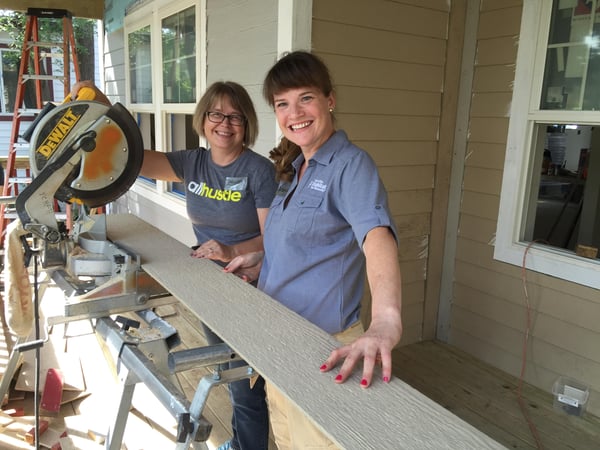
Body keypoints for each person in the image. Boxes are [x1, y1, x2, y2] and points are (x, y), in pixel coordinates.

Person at [71, 80, 276, 450]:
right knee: (228, 371)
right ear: (203, 118)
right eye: (217, 114)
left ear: (246, 124)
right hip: (208, 281)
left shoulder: (258, 170)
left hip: (250, 284)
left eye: (235, 117)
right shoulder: (192, 163)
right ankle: (245, 443)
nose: (225, 124)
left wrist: (230, 249)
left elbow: (273, 239)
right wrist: (101, 105)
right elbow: (132, 154)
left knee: (245, 383)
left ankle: (251, 446)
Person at [224, 51, 403, 449]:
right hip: (281, 340)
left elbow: (377, 238)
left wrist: (386, 320)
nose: (295, 112)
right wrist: (262, 260)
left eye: (305, 98)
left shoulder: (351, 165)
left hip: (326, 347)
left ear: (330, 100)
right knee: (286, 440)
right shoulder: (296, 169)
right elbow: (305, 244)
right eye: (282, 104)